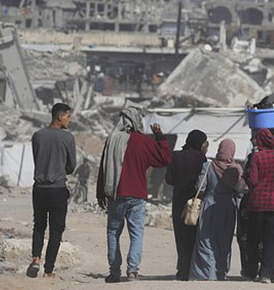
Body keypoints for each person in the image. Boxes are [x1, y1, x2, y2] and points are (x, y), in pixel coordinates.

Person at [96, 108, 172, 283]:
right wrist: (159, 136)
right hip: (137, 195)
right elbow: (165, 159)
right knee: (136, 233)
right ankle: (132, 271)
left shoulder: (112, 139)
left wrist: (100, 193)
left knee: (113, 232)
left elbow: (103, 167)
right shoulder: (143, 141)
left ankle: (114, 272)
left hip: (116, 193)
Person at [27, 103, 77, 279]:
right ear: (59, 117)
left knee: (39, 225)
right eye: (68, 117)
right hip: (57, 189)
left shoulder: (37, 136)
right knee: (56, 230)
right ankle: (48, 270)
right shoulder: (68, 138)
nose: (70, 120)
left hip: (39, 189)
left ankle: (35, 259)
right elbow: (71, 166)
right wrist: (60, 169)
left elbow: (37, 159)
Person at [190, 139, 245, 281]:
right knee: (224, 241)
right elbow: (241, 190)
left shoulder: (208, 166)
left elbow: (200, 187)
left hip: (209, 204)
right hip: (228, 206)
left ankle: (207, 273)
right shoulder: (237, 168)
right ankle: (220, 272)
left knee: (205, 239)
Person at [245, 129, 274, 284]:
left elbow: (253, 180)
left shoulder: (256, 157)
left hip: (257, 204)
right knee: (270, 241)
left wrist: (247, 179)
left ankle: (251, 272)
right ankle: (266, 274)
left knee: (253, 239)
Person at [165, 130, 208, 281]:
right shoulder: (201, 157)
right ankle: (191, 269)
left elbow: (169, 179)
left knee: (181, 235)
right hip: (195, 202)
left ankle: (182, 269)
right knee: (193, 235)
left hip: (179, 201)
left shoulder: (175, 155)